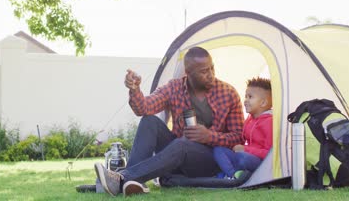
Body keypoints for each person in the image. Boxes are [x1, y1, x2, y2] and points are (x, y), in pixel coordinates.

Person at [94, 46, 244, 197]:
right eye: (204, 71)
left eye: (212, 68)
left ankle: (122, 178)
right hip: (176, 156)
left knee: (183, 143)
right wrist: (135, 89)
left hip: (210, 160)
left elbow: (238, 138)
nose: (211, 75)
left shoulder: (228, 93)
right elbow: (144, 108)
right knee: (149, 121)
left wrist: (208, 136)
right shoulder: (174, 88)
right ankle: (131, 182)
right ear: (188, 72)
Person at [213, 77, 273, 180]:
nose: (245, 101)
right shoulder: (249, 120)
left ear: (263, 103)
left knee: (242, 158)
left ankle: (230, 173)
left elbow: (269, 154)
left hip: (258, 161)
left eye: (250, 97)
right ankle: (234, 175)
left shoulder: (270, 122)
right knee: (218, 150)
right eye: (245, 96)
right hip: (245, 155)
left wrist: (245, 149)